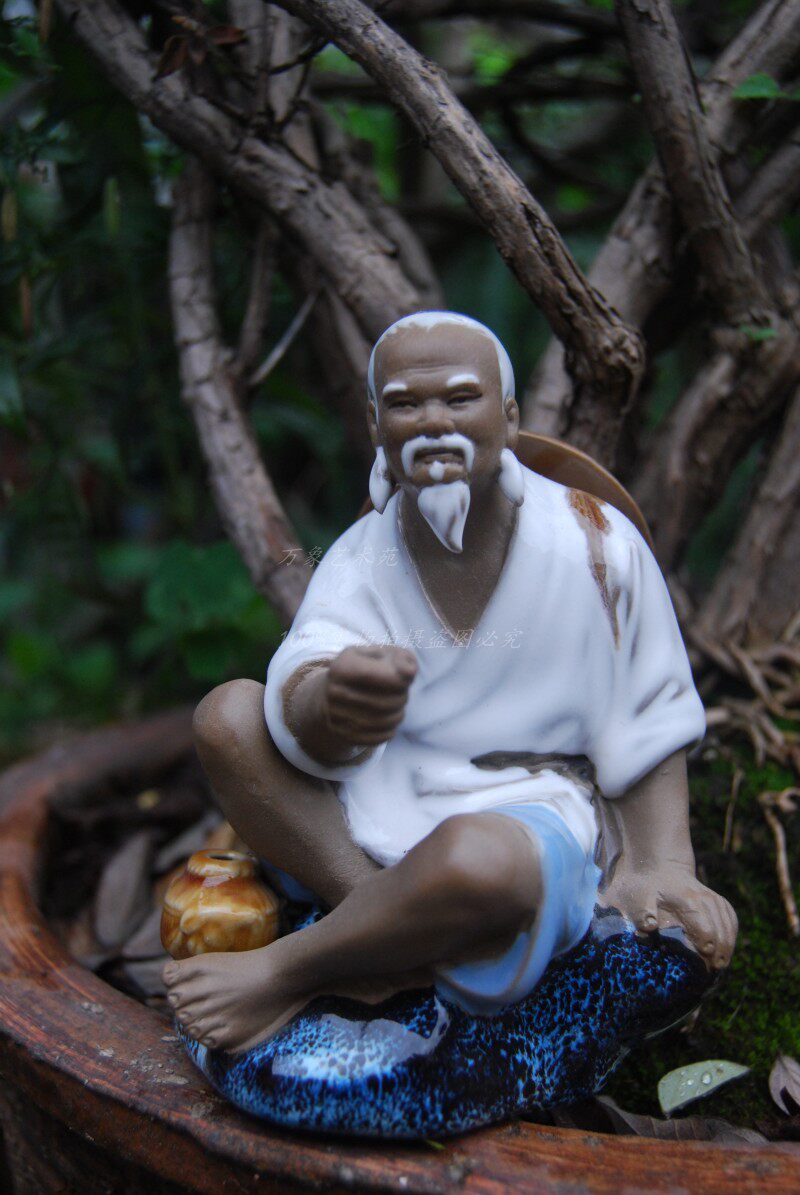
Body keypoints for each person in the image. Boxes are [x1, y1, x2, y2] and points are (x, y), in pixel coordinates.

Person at [164, 312, 737, 1053]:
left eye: (461, 398)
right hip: (377, 796)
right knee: (227, 717)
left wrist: (663, 865)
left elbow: (650, 714)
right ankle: (386, 926)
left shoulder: (597, 548)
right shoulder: (364, 555)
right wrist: (332, 702)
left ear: (509, 416)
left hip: (524, 807)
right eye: (406, 404)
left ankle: (290, 969)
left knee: (476, 861)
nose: (434, 421)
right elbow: (303, 677)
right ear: (377, 425)